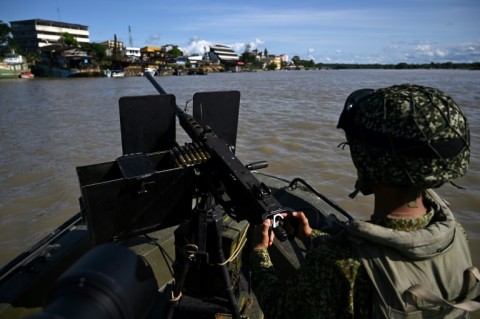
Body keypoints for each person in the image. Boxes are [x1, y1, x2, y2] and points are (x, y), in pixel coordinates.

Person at [250, 84, 480, 318]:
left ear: (366, 160)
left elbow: (280, 309)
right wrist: (311, 238)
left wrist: (259, 252)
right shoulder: (455, 234)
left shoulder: (339, 266)